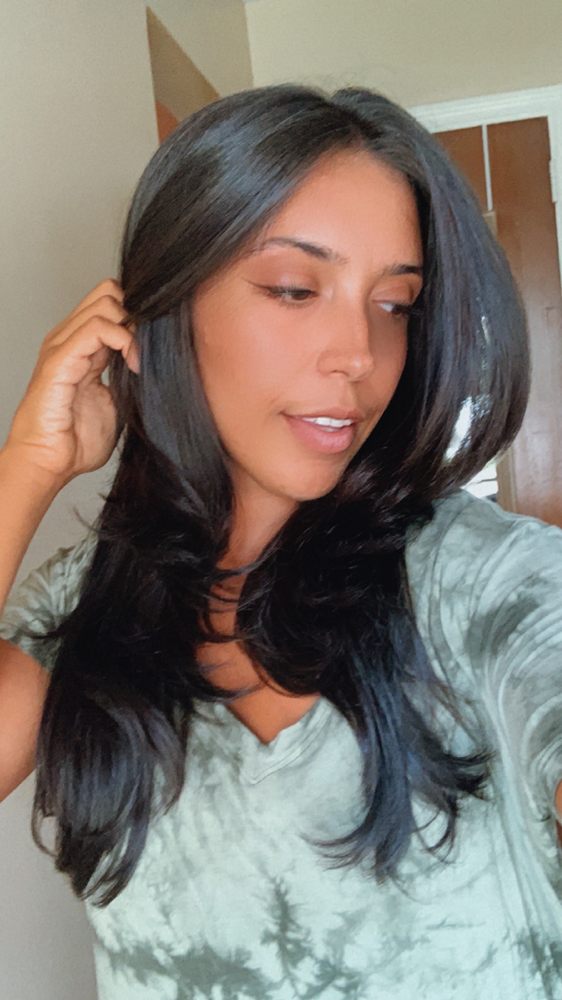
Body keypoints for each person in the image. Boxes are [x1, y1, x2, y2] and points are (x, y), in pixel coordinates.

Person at [0, 82, 561, 1000]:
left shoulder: (477, 577)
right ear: (165, 310)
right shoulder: (84, 600)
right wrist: (28, 464)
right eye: (296, 289)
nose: (360, 354)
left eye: (396, 304)